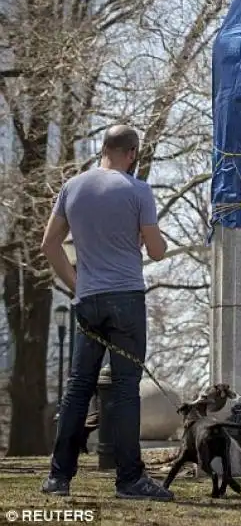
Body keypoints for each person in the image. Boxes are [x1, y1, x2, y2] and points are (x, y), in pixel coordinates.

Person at [40, 126, 173, 500]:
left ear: (104, 150)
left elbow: (49, 244)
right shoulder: (137, 190)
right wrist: (155, 238)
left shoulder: (73, 187)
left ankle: (58, 478)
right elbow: (157, 250)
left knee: (78, 387)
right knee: (127, 388)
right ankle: (130, 480)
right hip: (126, 299)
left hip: (88, 300)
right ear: (131, 153)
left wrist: (76, 283)